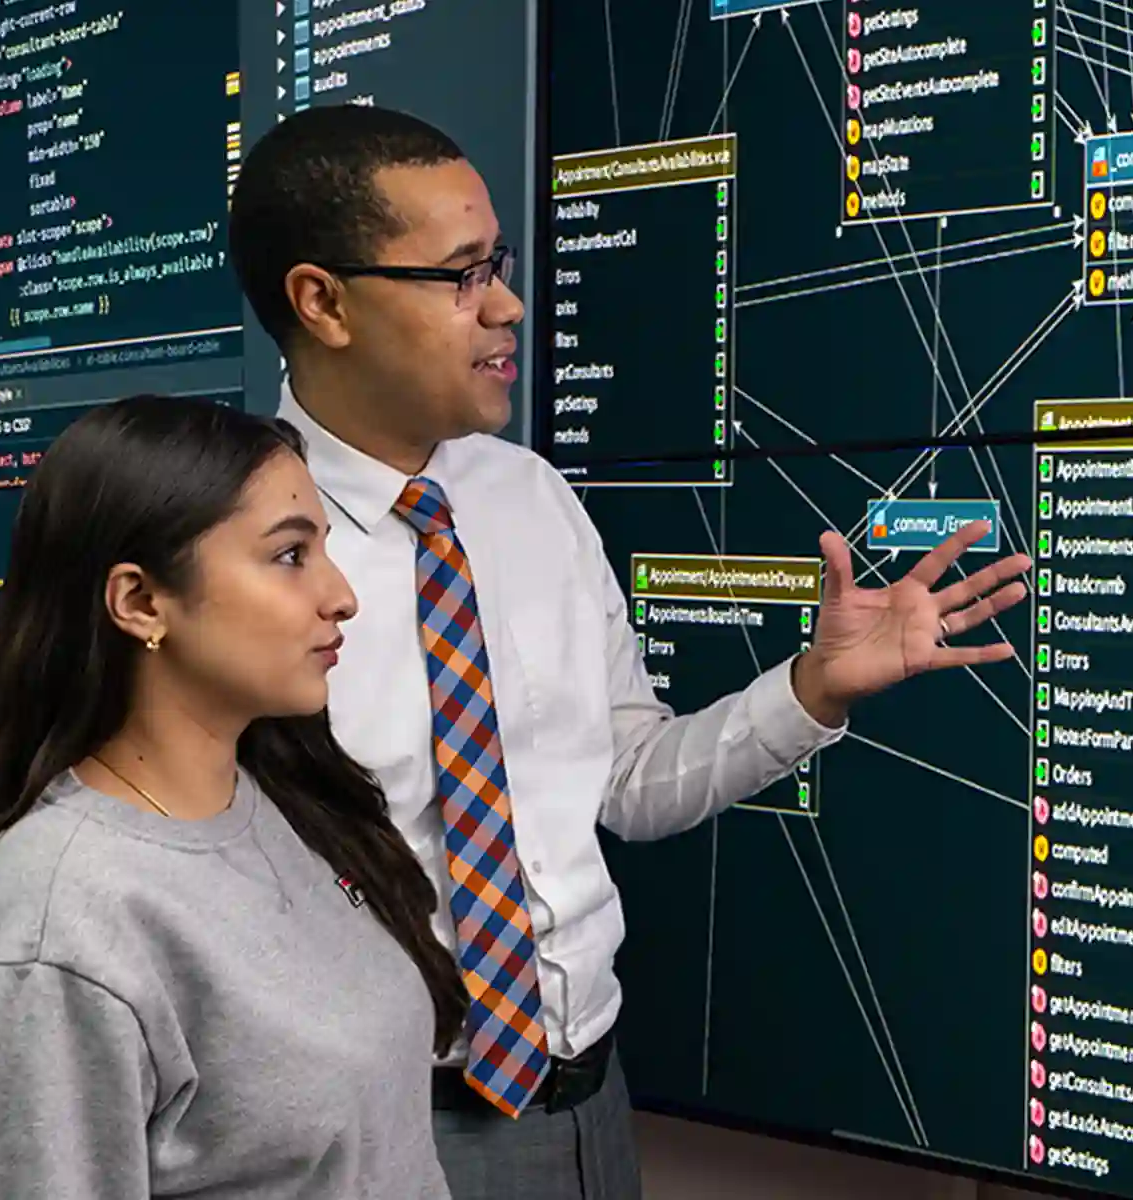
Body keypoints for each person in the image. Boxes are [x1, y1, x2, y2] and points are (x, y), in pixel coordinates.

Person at [227, 105, 1031, 1200]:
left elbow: (625, 783)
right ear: (322, 301)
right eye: (461, 274)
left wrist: (811, 690)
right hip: (369, 1134)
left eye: (499, 263)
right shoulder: (221, 541)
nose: (509, 305)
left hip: (590, 1106)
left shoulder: (529, 500)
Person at [0, 396, 463, 1198]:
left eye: (325, 551)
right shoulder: (52, 939)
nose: (340, 596)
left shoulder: (283, 801)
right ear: (139, 603)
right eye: (288, 556)